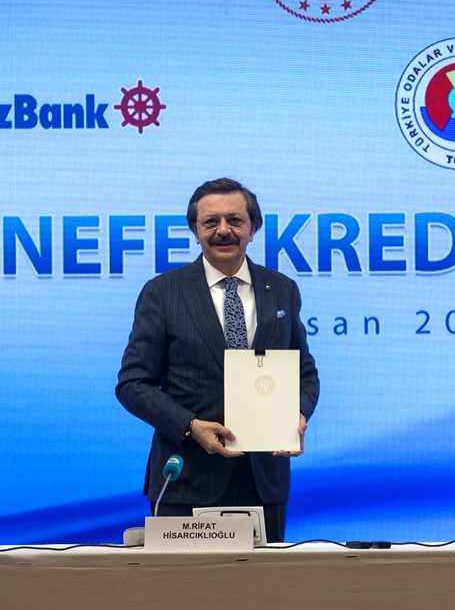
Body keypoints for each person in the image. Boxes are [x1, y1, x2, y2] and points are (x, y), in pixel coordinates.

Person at [116, 178, 320, 542]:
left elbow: (304, 372)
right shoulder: (163, 292)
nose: (223, 230)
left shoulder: (282, 289)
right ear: (195, 232)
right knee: (189, 582)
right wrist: (190, 426)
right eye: (211, 222)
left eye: (235, 220)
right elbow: (133, 383)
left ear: (253, 228)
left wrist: (298, 415)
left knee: (266, 581)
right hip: (186, 479)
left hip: (264, 481)